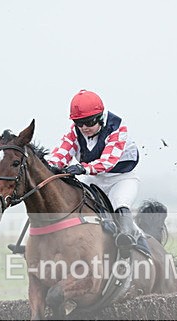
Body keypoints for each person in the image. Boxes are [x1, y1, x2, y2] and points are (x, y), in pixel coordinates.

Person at [46, 89, 147, 255]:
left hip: (121, 179)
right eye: (79, 123)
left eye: (89, 121)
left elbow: (108, 161)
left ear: (100, 117)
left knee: (119, 203)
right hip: (93, 178)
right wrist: (49, 167)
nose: (84, 127)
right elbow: (61, 153)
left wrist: (83, 168)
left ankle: (135, 242)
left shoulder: (117, 128)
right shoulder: (75, 131)